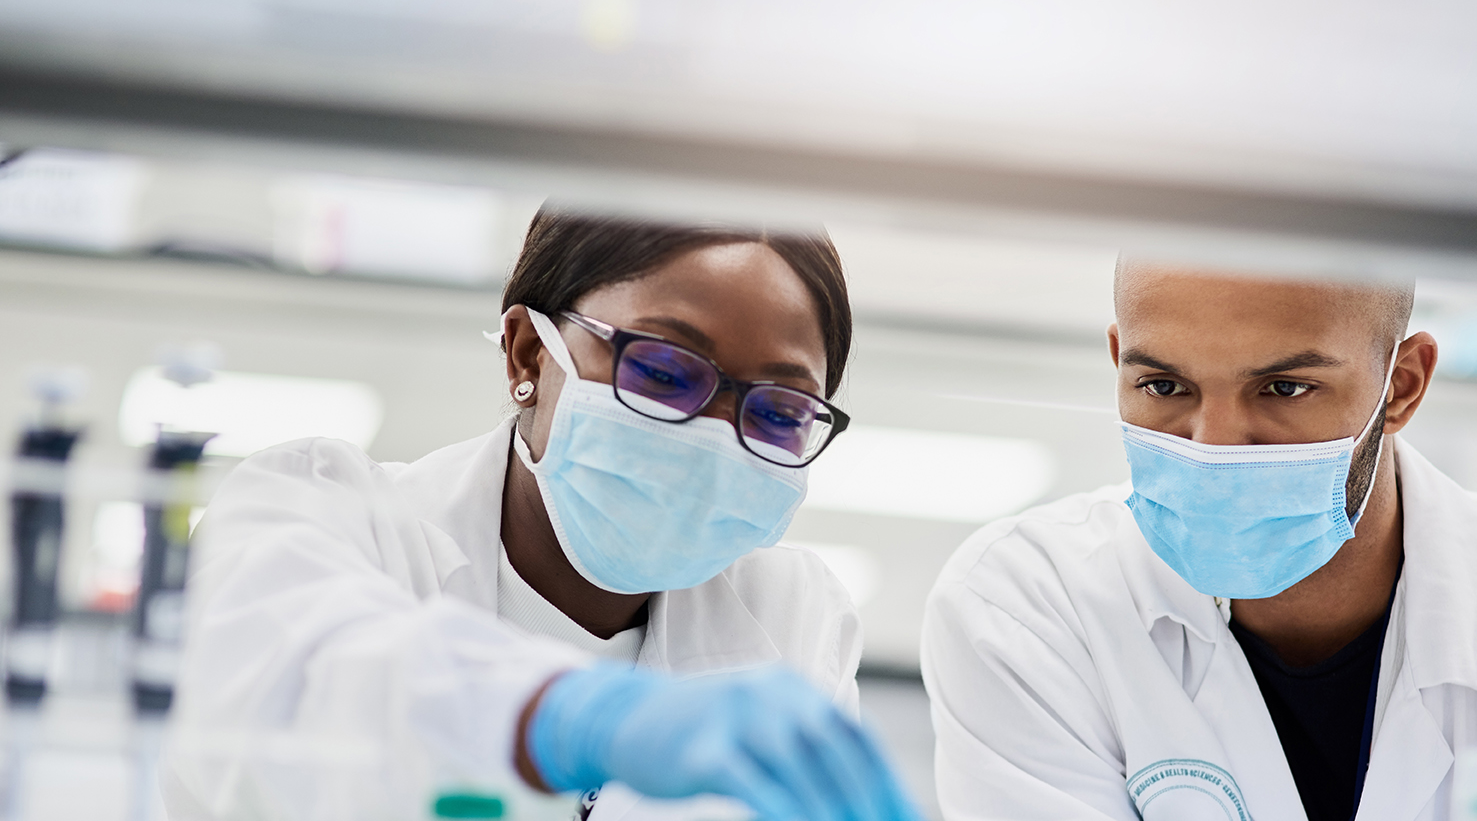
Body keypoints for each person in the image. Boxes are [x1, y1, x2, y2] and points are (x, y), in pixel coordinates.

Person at [164, 213, 921, 821]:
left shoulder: (792, 612)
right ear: (528, 353)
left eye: (780, 411)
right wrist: (579, 719)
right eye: (662, 371)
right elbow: (290, 705)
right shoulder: (322, 508)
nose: (717, 433)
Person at [920, 262, 1477, 821]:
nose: (1216, 445)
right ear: (1118, 361)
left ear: (1403, 384)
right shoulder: (1027, 609)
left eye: (1284, 388)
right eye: (1165, 386)